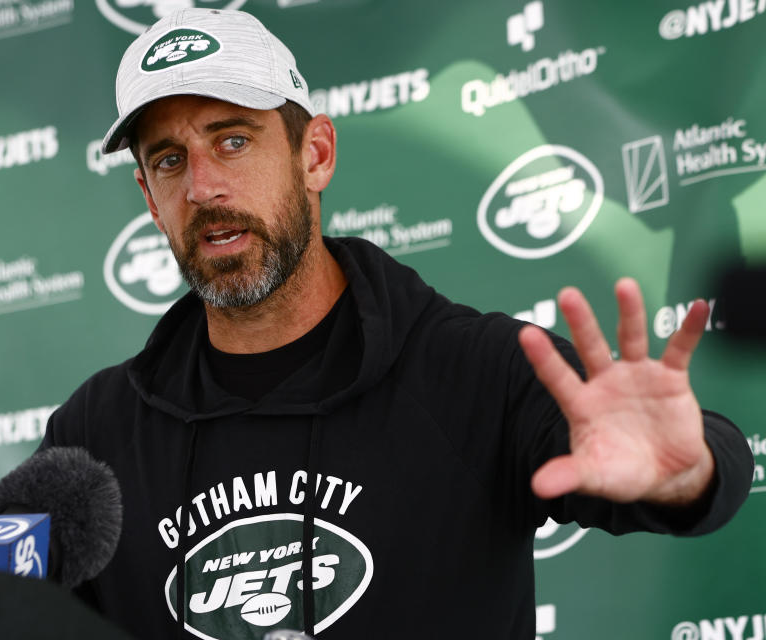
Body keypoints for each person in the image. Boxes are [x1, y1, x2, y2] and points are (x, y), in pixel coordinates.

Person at [38, 8, 752, 639]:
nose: (202, 186)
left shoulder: (476, 370)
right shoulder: (94, 434)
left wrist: (687, 470)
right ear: (150, 198)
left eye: (233, 141)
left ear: (314, 154)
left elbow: (695, 468)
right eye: (169, 160)